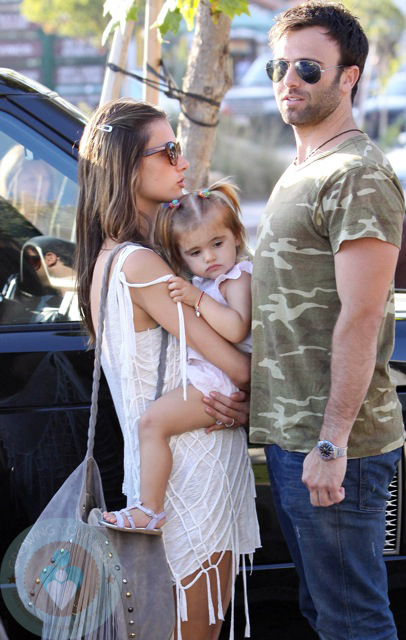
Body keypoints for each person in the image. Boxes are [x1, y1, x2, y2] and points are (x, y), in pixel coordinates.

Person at [75, 98, 260, 640]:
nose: (182, 163)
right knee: (194, 629)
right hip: (190, 476)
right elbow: (236, 367)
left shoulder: (110, 257)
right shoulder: (143, 265)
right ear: (130, 168)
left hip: (164, 469)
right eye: (169, 150)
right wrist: (248, 396)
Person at [248, 2, 405, 639]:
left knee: (353, 622)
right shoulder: (304, 169)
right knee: (321, 612)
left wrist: (332, 445)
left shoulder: (358, 175)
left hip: (337, 447)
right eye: (278, 66)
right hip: (292, 438)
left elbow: (362, 316)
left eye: (308, 68)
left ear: (349, 77)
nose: (290, 79)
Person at [100, 181, 253, 532]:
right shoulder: (209, 281)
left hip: (220, 382)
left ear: (237, 237)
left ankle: (149, 510)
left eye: (217, 244)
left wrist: (196, 300)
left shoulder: (237, 278)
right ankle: (148, 506)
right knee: (151, 425)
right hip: (210, 375)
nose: (210, 258)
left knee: (152, 423)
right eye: (195, 253)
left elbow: (237, 328)